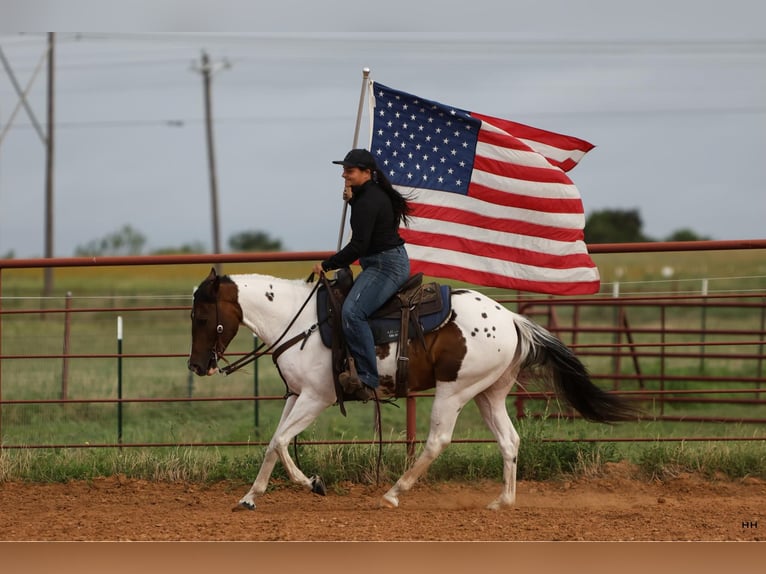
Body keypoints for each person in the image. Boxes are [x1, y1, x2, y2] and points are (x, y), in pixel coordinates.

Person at [313, 148, 412, 402]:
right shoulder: (371, 195)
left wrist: (327, 264)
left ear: (367, 173)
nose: (344, 175)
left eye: (350, 171)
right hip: (385, 261)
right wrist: (353, 198)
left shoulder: (368, 201)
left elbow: (359, 245)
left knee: (352, 313)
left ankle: (368, 378)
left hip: (385, 266)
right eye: (344, 170)